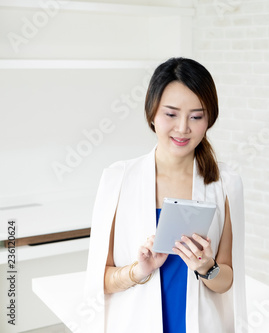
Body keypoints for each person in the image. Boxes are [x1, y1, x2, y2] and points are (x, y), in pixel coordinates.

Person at [84, 57, 247, 333]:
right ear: (152, 113)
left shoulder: (225, 183)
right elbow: (99, 279)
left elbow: (228, 280)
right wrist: (140, 270)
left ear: (209, 119)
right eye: (171, 114)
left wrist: (207, 267)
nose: (183, 128)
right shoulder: (118, 180)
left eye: (196, 117)